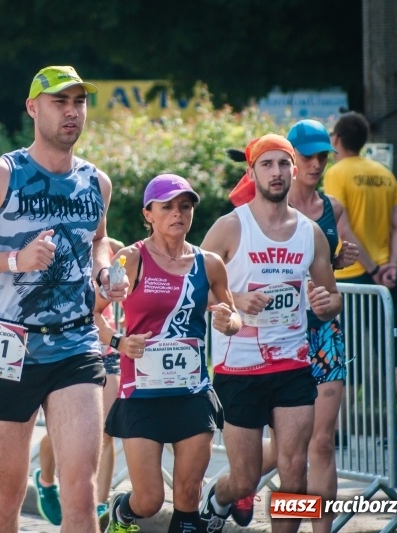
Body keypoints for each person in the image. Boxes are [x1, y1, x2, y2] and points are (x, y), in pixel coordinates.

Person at [0, 65, 128, 533]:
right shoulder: (1, 174)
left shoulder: (96, 182)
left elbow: (98, 239)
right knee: (6, 491)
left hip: (75, 344)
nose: (71, 112)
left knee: (81, 490)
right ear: (32, 108)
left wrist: (104, 270)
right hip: (7, 345)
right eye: (60, 102)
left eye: (79, 102)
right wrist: (14, 261)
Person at [199, 134, 342, 533]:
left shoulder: (310, 233)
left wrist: (324, 304)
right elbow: (192, 287)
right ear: (252, 172)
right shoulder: (230, 227)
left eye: (283, 164)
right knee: (245, 480)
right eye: (267, 164)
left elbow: (332, 296)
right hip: (239, 369)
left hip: (292, 364)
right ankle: (220, 496)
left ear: (293, 170)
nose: (276, 172)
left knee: (294, 471)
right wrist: (236, 299)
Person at [227, 120, 361, 531]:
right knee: (261, 467)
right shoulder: (240, 214)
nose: (315, 164)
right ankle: (230, 492)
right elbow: (210, 281)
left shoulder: (322, 219)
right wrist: (234, 302)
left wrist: (327, 295)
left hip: (307, 347)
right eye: (308, 156)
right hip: (255, 353)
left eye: (322, 156)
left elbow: (329, 291)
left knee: (309, 455)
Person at [94, 174, 240, 533]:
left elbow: (232, 314)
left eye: (185, 206)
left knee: (188, 495)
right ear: (149, 214)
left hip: (191, 391)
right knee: (149, 500)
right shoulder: (129, 259)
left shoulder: (209, 264)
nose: (178, 213)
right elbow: (92, 312)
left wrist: (229, 322)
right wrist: (118, 343)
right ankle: (122, 512)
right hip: (142, 394)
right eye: (168, 207)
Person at [323, 111, 397, 448]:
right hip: (384, 279)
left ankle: (338, 428)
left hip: (351, 274)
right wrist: (390, 264)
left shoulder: (336, 174)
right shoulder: (383, 173)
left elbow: (342, 228)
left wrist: (373, 267)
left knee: (337, 350)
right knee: (395, 348)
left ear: (337, 140)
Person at [33, 237, 126, 530]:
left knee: (105, 429)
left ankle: (100, 502)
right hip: (64, 348)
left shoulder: (113, 248)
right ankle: (46, 480)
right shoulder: (54, 243)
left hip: (103, 345)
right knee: (66, 433)